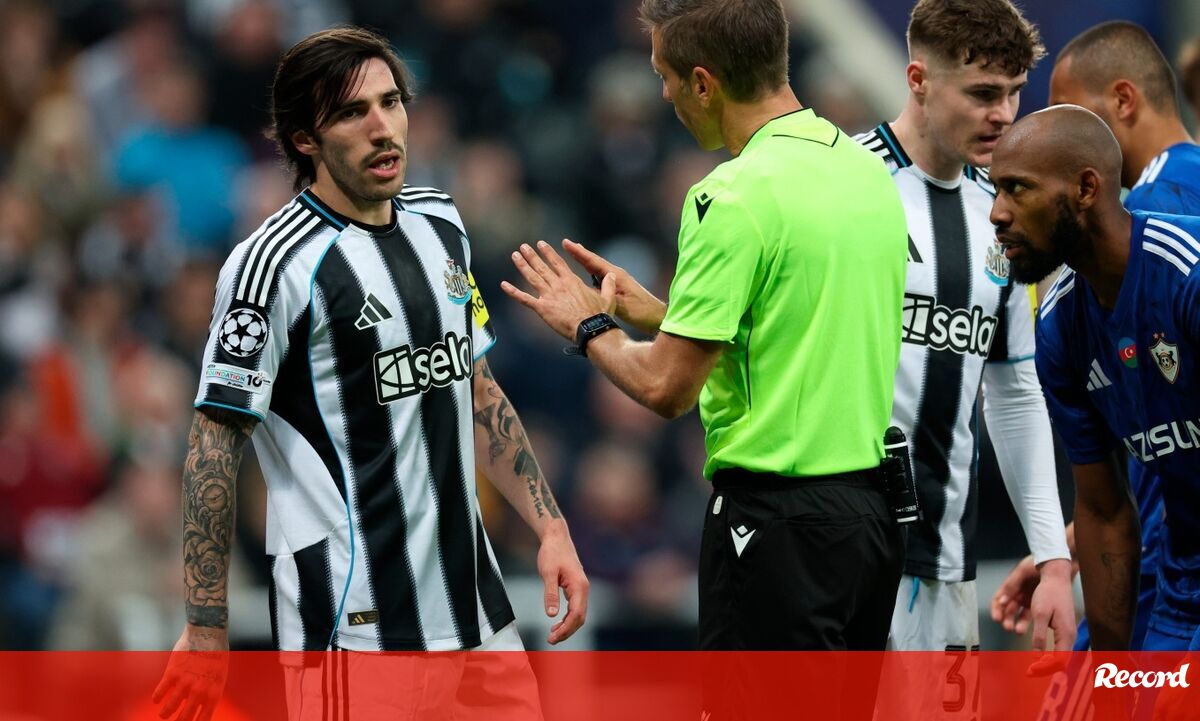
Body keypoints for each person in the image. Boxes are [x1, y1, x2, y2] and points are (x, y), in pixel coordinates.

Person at [152, 27, 588, 721]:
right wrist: (206, 627)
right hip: (355, 633)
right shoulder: (270, 267)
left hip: (479, 618)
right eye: (354, 112)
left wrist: (551, 527)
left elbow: (476, 389)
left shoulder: (441, 223)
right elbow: (213, 444)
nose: (383, 127)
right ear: (305, 139)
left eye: (391, 102)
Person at [503, 0, 907, 656]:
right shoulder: (864, 169)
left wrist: (589, 324)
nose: (663, 95)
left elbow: (667, 388)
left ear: (702, 82)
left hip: (776, 525)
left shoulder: (731, 196)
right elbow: (795, 327)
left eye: (664, 77)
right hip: (868, 521)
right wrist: (667, 316)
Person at [852, 0, 1073, 672]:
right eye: (983, 94)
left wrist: (1053, 559)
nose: (1004, 114)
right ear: (918, 79)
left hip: (946, 562)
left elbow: (1014, 391)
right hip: (834, 551)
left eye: (1013, 92)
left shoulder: (1004, 214)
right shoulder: (843, 184)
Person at [993, 21, 1200, 657]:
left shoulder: (1182, 258)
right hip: (1180, 584)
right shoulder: (1060, 325)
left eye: (1017, 188)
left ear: (1088, 187)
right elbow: (1108, 510)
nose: (997, 212)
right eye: (997, 188)